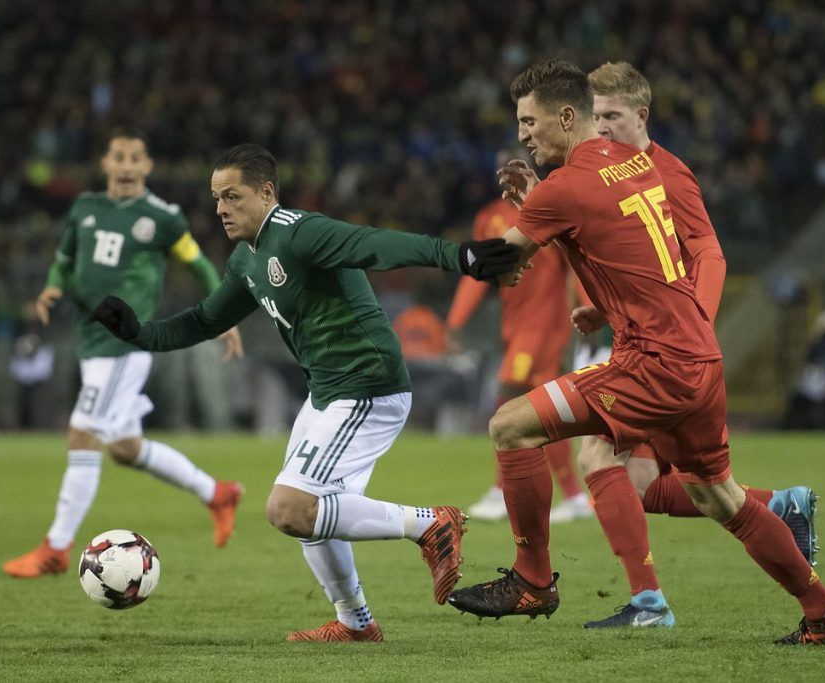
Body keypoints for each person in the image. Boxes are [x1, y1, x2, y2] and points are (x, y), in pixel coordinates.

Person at [448, 59, 825, 646]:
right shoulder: (641, 165)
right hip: (699, 362)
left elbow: (502, 259)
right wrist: (589, 278)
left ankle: (533, 580)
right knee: (717, 495)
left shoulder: (568, 187)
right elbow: (615, 244)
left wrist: (428, 254)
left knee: (510, 426)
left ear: (567, 116)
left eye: (528, 120)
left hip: (650, 365)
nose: (522, 134)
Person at [91, 143, 519, 642]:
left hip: (367, 386)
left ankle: (430, 524)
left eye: (232, 196)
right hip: (327, 394)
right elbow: (205, 320)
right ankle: (355, 623)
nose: (220, 209)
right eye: (216, 198)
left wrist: (459, 255)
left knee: (289, 507)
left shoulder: (300, 232)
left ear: (267, 192)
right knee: (311, 512)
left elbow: (374, 243)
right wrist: (137, 333)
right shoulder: (245, 260)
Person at [3, 128, 246, 579]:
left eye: (137, 157)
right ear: (107, 164)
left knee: (82, 434)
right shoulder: (85, 208)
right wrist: (54, 284)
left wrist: (224, 314)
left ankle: (55, 549)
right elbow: (64, 256)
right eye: (120, 157)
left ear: (148, 166)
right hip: (90, 340)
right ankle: (217, 492)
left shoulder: (162, 218)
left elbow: (198, 264)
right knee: (125, 448)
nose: (129, 165)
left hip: (124, 344)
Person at [448, 152, 591, 524]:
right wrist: (456, 320)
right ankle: (575, 496)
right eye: (502, 169)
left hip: (545, 327)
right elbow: (475, 272)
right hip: (514, 328)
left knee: (508, 396)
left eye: (516, 168)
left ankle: (501, 491)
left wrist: (589, 306)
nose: (508, 176)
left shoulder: (548, 210)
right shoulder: (489, 218)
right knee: (547, 411)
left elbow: (575, 263)